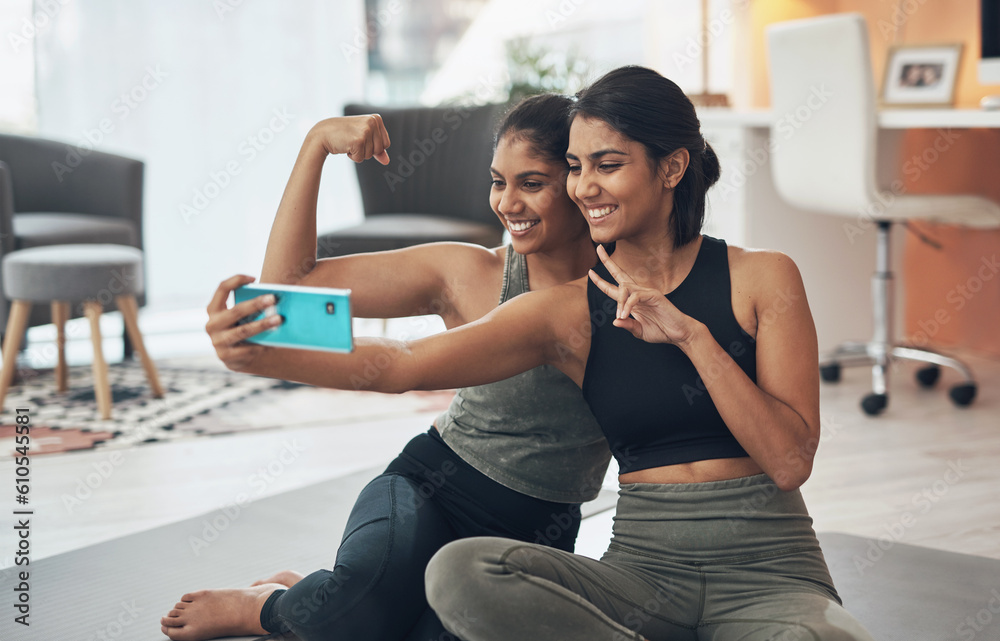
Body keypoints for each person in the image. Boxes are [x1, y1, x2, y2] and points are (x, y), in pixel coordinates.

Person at [174, 65, 875, 641]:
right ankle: (291, 604)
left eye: (594, 168)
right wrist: (263, 352)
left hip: (664, 545)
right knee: (409, 593)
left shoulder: (727, 280)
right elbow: (389, 356)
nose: (580, 187)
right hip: (529, 522)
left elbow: (788, 459)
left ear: (670, 168)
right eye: (575, 167)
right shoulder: (528, 296)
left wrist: (690, 331)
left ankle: (327, 601)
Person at [159, 94, 612, 641]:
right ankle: (268, 605)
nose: (508, 203)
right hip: (429, 488)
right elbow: (289, 296)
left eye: (531, 183)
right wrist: (316, 146)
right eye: (498, 182)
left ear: (580, 181)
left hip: (540, 529)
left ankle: (326, 592)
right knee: (353, 614)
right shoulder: (470, 274)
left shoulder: (623, 295)